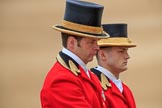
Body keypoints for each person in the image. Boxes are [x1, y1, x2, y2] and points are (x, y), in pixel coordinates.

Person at [40, 0, 109, 108]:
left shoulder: (87, 75)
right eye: (91, 42)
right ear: (72, 43)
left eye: (97, 41)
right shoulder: (61, 81)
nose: (97, 47)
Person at [91, 24, 136, 108]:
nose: (127, 56)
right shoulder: (93, 86)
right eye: (121, 51)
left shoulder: (125, 90)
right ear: (103, 55)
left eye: (126, 51)